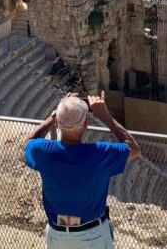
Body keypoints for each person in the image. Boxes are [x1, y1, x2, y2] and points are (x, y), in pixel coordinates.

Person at [25, 91, 141, 248]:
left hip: (57, 235)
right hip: (93, 235)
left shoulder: (43, 151)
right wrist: (105, 116)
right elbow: (134, 149)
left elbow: (28, 143)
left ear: (58, 123)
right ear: (86, 124)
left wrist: (53, 117)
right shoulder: (99, 153)